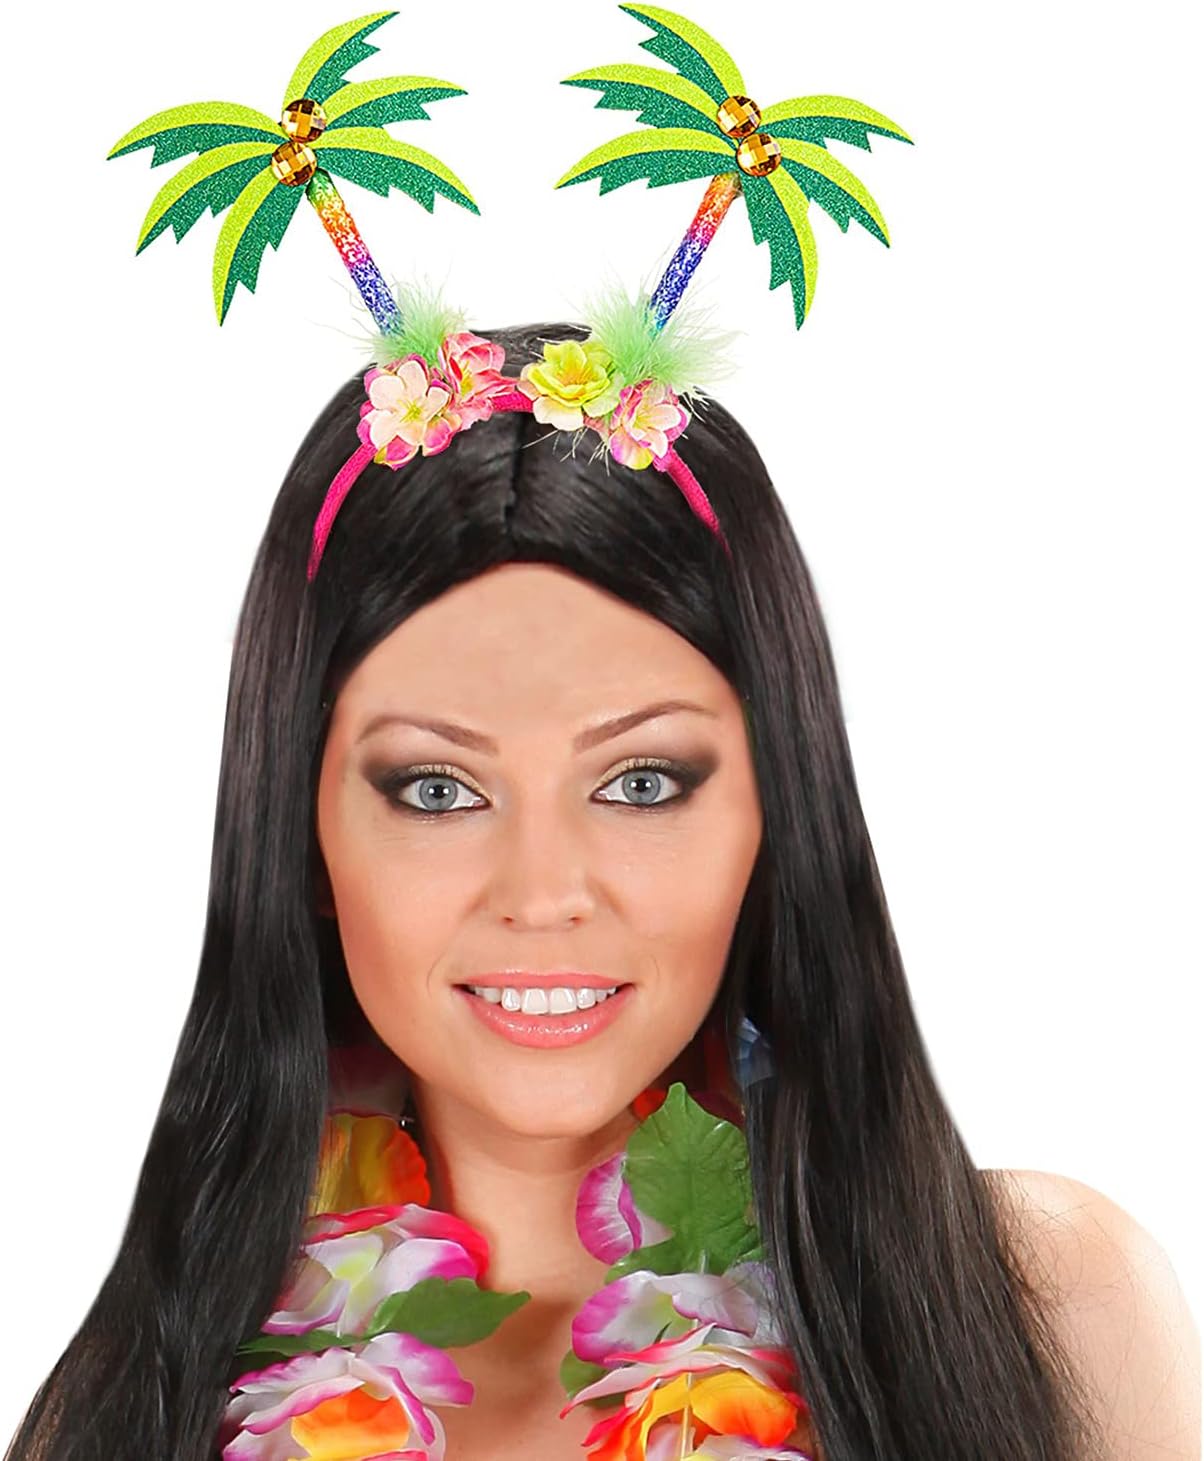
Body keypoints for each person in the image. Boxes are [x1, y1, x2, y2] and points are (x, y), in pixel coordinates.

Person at [4, 316, 1198, 1461]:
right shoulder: (141, 1404)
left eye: (640, 783)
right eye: (436, 789)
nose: (543, 894)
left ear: (776, 813)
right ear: (303, 841)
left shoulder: (1052, 1305)